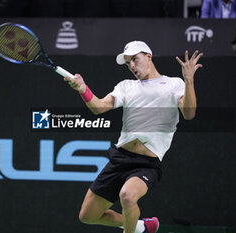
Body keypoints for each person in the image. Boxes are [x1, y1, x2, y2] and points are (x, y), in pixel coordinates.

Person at [64, 41, 203, 233]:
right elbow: (99, 107)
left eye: (135, 60)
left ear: (148, 56)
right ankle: (141, 226)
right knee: (87, 216)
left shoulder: (173, 84)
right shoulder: (126, 86)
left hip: (146, 163)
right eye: (128, 63)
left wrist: (189, 80)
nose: (132, 66)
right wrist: (82, 88)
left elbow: (189, 113)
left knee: (128, 196)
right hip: (120, 159)